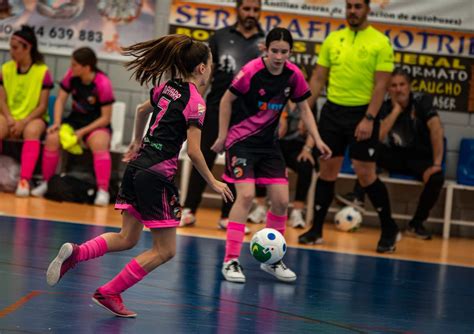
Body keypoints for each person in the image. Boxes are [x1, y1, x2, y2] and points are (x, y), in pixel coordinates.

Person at [45, 34, 234, 317]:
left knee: (128, 237)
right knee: (166, 250)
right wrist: (213, 181)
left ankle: (77, 252)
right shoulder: (197, 103)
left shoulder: (167, 88)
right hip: (157, 175)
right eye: (211, 64)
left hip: (136, 169)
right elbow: (195, 152)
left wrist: (136, 142)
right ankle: (110, 292)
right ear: (202, 68)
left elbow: (140, 110)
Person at [211, 27, 331, 283]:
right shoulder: (251, 71)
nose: (278, 56)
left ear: (291, 52)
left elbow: (305, 110)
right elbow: (225, 101)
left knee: (280, 200)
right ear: (265, 49)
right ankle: (231, 260)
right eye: (274, 50)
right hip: (241, 142)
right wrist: (222, 136)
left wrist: (318, 140)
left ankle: (273, 261)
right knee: (246, 195)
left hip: (269, 146)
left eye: (284, 52)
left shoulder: (293, 75)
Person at [298, 0, 400, 253]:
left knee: (366, 174)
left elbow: (381, 86)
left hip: (362, 113)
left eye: (357, 6)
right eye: (349, 6)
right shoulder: (333, 39)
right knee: (327, 170)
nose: (352, 11)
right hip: (333, 111)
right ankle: (316, 230)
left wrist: (369, 118)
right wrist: (306, 111)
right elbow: (319, 77)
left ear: (367, 9)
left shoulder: (380, 42)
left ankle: (389, 228)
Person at [179, 0, 264, 234]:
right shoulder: (220, 37)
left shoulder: (264, 42)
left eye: (255, 10)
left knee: (237, 163)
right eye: (247, 9)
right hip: (216, 108)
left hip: (247, 113)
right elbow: (208, 72)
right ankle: (189, 209)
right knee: (201, 156)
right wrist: (195, 100)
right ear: (238, 9)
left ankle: (228, 216)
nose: (251, 14)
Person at [336, 68, 444, 240]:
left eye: (402, 85)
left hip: (419, 158)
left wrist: (437, 163)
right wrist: (395, 111)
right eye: (393, 86)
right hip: (394, 156)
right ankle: (358, 197)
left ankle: (416, 224)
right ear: (388, 89)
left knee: (437, 178)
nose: (398, 89)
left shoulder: (422, 102)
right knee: (369, 152)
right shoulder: (384, 107)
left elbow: (437, 130)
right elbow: (377, 137)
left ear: (409, 86)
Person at [31, 47, 115, 206]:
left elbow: (105, 118)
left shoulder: (103, 83)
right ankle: (47, 182)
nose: (71, 68)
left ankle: (103, 190)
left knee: (99, 143)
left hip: (95, 124)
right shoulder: (71, 76)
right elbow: (60, 100)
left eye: (75, 65)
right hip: (75, 121)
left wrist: (82, 132)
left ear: (87, 67)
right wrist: (56, 123)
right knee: (52, 138)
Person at [0, 25, 54, 197]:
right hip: (9, 115)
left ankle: (24, 180)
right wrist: (9, 118)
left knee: (32, 131)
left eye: (15, 48)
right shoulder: (6, 69)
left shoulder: (42, 71)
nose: (11, 51)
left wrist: (23, 122)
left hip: (33, 117)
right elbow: (1, 99)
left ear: (27, 47)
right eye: (10, 47)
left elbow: (42, 106)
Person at [248, 101, 318, 228]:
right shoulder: (277, 97)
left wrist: (307, 149)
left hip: (297, 147)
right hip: (275, 144)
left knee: (306, 165)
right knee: (260, 160)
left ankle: (297, 211)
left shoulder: (307, 101)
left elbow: (313, 128)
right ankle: (261, 206)